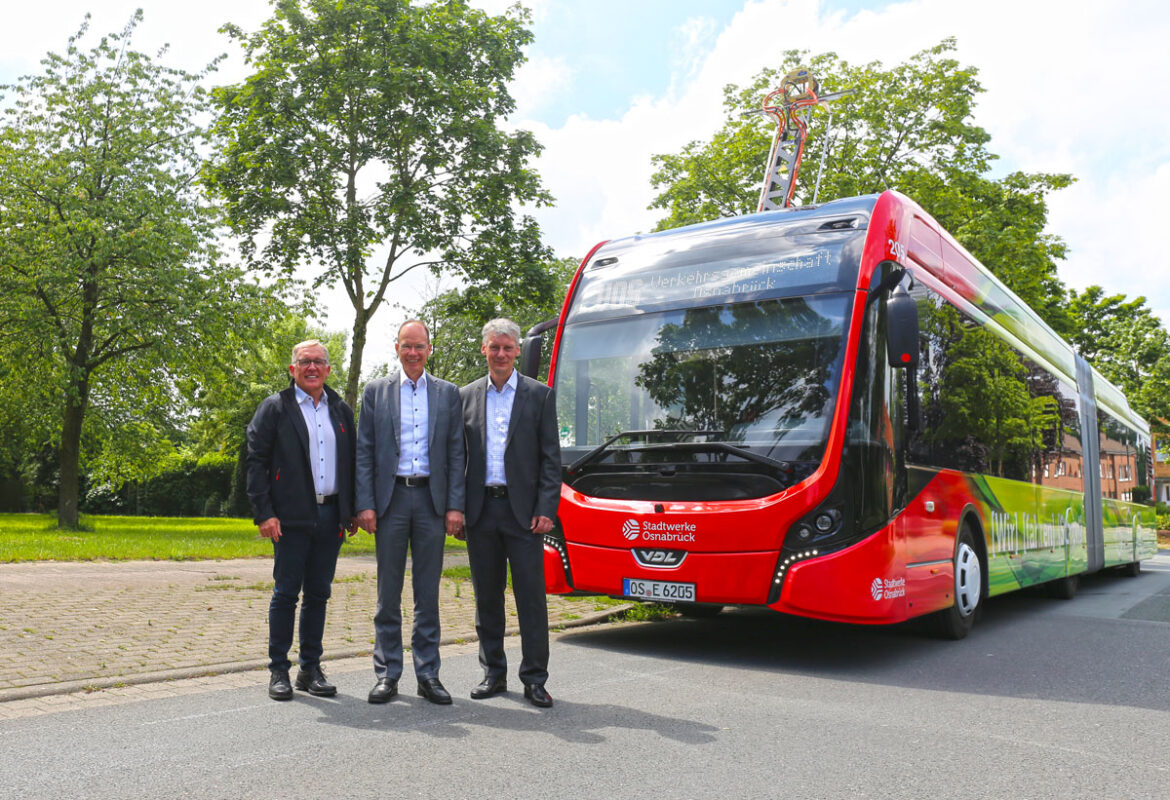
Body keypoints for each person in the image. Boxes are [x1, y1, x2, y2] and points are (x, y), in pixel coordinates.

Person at [356, 320, 466, 705]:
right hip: (391, 502)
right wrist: (365, 503)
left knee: (427, 594)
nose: (413, 353)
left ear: (429, 349)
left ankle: (428, 674)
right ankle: (387, 673)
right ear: (397, 347)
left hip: (432, 503)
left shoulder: (448, 394)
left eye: (419, 346)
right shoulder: (376, 392)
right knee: (388, 593)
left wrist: (455, 506)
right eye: (407, 346)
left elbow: (456, 453)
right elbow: (365, 451)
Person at [246, 339, 356, 701]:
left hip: (331, 515)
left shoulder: (340, 410)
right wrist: (265, 513)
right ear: (293, 370)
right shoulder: (275, 408)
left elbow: (352, 463)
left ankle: (310, 668)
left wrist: (350, 510)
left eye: (318, 362)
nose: (312, 368)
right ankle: (279, 668)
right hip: (290, 518)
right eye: (304, 362)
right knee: (286, 593)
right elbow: (255, 463)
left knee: (319, 594)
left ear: (328, 369)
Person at [460, 318, 561, 708]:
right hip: (481, 512)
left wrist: (546, 508)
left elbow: (550, 460)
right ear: (484, 350)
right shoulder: (465, 396)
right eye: (494, 347)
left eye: (508, 348)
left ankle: (535, 679)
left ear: (518, 351)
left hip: (525, 516)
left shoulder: (540, 396)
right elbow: (458, 458)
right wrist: (458, 509)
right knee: (487, 599)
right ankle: (493, 674)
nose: (501, 354)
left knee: (531, 600)